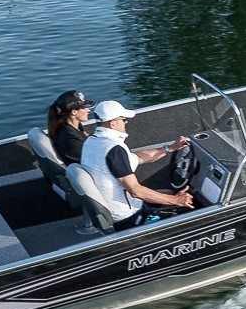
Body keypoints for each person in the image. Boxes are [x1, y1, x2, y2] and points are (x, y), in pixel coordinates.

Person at [80, 99, 194, 231]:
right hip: (129, 217)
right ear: (113, 124)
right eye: (123, 119)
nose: (126, 122)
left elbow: (138, 158)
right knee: (188, 209)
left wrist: (170, 148)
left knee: (169, 192)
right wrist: (176, 200)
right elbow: (135, 191)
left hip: (115, 208)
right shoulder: (114, 149)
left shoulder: (92, 141)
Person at [47, 90, 93, 165]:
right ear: (74, 112)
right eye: (84, 107)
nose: (88, 110)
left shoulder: (71, 125)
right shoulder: (72, 140)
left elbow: (86, 135)